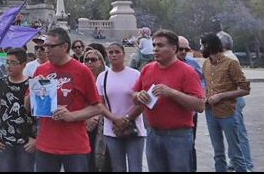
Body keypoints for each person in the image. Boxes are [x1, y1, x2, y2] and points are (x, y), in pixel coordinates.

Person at [131, 29, 205, 172]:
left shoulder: (187, 72)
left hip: (178, 136)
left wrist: (172, 93)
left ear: (173, 48)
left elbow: (200, 105)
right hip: (153, 133)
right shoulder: (147, 69)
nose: (155, 49)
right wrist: (139, 95)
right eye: (154, 45)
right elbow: (134, 96)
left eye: (160, 45)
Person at [30, 28, 102, 172]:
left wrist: (72, 116)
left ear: (65, 47)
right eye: (45, 46)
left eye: (51, 46)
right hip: (46, 144)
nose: (46, 50)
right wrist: (34, 89)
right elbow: (29, 106)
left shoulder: (82, 71)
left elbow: (97, 107)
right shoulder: (40, 70)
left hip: (75, 146)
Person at [200, 32, 250, 173]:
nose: (200, 48)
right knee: (218, 153)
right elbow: (207, 86)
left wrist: (221, 96)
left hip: (228, 113)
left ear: (210, 45)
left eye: (202, 45)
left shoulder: (230, 63)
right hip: (210, 112)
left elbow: (245, 89)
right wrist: (204, 96)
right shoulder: (206, 64)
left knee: (236, 154)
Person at [97, 42, 146, 172]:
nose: (114, 55)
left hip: (133, 127)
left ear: (124, 54)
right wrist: (115, 119)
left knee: (135, 167)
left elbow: (143, 102)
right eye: (111, 52)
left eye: (117, 52)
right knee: (118, 167)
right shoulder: (103, 77)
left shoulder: (135, 74)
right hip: (112, 128)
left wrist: (126, 119)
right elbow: (99, 103)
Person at [0, 48, 36, 172]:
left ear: (23, 65)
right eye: (7, 62)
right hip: (4, 140)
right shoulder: (0, 83)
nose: (9, 66)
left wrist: (36, 139)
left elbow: (40, 115)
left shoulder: (33, 83)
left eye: (13, 63)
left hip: (26, 141)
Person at [217, 31, 254, 172]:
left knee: (239, 134)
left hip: (234, 101)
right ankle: (234, 161)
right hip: (233, 100)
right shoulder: (227, 57)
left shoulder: (229, 59)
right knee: (234, 134)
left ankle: (247, 164)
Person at [177, 35, 204, 172]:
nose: (183, 52)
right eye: (180, 49)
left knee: (190, 144)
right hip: (173, 112)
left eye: (186, 49)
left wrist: (200, 95)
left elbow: (202, 82)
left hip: (190, 111)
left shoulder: (192, 64)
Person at [82, 49, 108, 171]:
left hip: (105, 122)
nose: (89, 62)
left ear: (101, 62)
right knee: (88, 161)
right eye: (87, 60)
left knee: (105, 161)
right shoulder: (81, 78)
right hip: (85, 123)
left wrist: (96, 117)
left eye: (93, 59)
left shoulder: (106, 77)